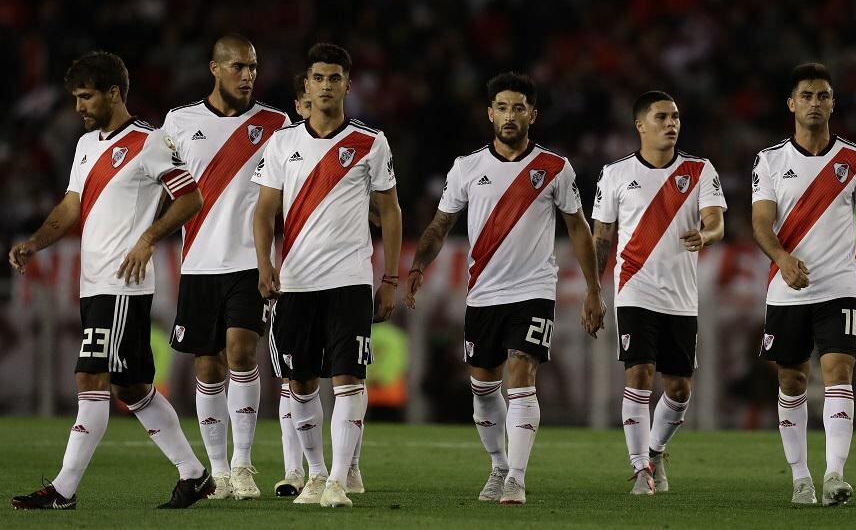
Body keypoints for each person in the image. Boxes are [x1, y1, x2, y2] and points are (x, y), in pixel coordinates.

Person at [9, 51, 211, 509]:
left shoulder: (149, 141)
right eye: (76, 97)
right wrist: (35, 242)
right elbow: (70, 207)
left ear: (114, 93)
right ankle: (193, 473)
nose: (78, 106)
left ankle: (62, 490)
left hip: (122, 284)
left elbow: (190, 198)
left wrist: (148, 240)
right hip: (94, 282)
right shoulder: (86, 146)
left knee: (90, 377)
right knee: (131, 387)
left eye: (86, 97)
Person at [404, 72, 605, 505]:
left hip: (534, 289)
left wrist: (593, 289)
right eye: (502, 107)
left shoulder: (554, 167)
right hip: (483, 294)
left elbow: (578, 228)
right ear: (489, 113)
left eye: (518, 108)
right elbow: (441, 225)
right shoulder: (467, 167)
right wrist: (419, 263)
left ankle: (516, 476)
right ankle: (497, 464)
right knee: (482, 386)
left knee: (522, 372)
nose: (510, 116)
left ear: (533, 114)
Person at [253, 43, 401, 508]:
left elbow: (390, 213)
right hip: (295, 281)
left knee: (348, 379)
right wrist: (264, 263)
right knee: (299, 383)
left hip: (350, 280)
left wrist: (390, 278)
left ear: (347, 85)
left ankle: (339, 477)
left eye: (335, 77)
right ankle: (315, 473)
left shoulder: (370, 142)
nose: (326, 85)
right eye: (319, 77)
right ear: (307, 85)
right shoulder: (281, 143)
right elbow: (264, 210)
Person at [751, 62, 856, 506]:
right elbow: (760, 222)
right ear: (792, 104)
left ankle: (834, 474)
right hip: (786, 288)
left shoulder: (855, 159)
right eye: (807, 96)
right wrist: (782, 258)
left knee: (839, 371)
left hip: (839, 288)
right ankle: (801, 479)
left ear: (833, 103)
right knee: (793, 380)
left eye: (823, 96)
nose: (815, 103)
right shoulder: (770, 159)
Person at [161, 35, 290, 501]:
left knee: (241, 352)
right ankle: (216, 472)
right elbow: (161, 187)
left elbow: (290, 194)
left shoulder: (277, 124)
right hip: (197, 263)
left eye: (253, 67)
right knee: (208, 364)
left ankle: (242, 465)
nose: (248, 75)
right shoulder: (178, 122)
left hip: (249, 263)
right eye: (238, 66)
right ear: (214, 68)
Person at [591, 90, 726, 496]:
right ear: (640, 125)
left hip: (681, 296)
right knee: (639, 374)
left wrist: (705, 235)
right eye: (663, 117)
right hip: (634, 289)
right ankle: (640, 471)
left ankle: (655, 450)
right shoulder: (615, 174)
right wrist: (591, 290)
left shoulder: (700, 171)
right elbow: (601, 238)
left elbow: (717, 224)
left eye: (676, 117)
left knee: (680, 389)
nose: (671, 124)